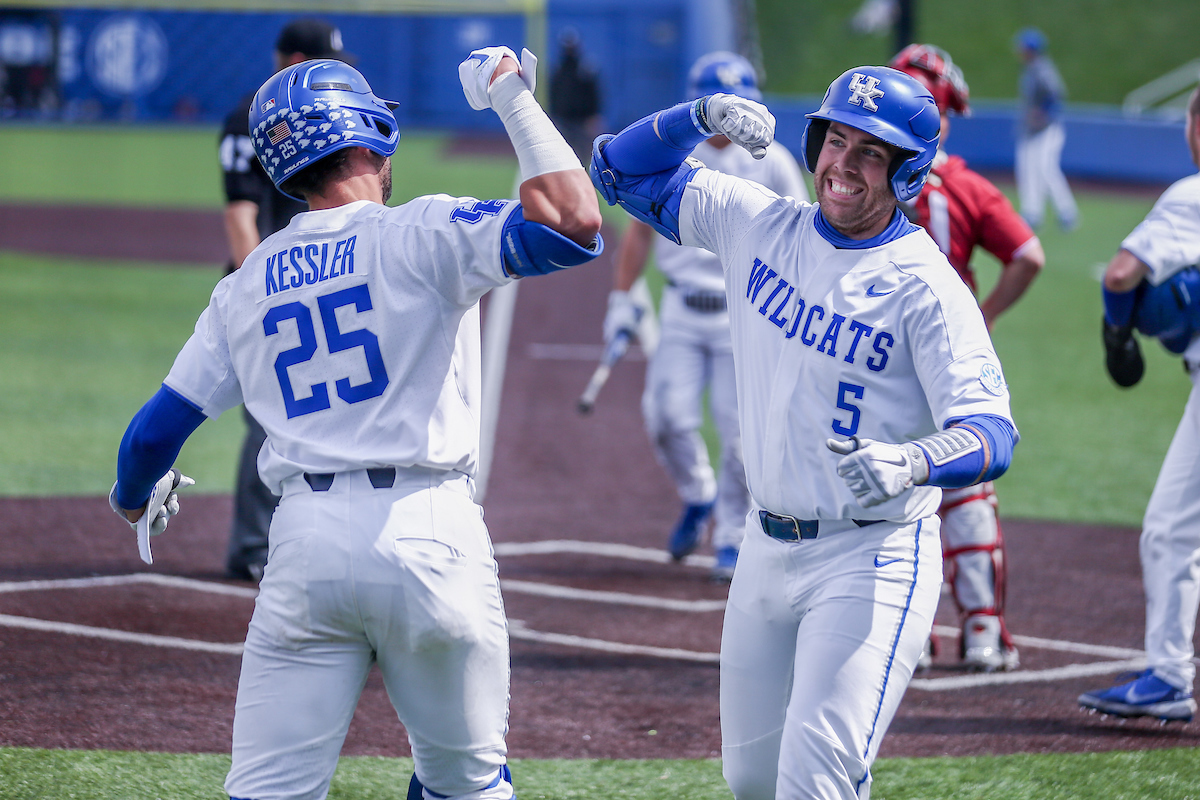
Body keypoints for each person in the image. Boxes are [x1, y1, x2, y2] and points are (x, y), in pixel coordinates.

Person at [109, 48, 602, 800]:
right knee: (464, 784)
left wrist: (132, 495)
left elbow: (150, 437)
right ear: (370, 133)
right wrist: (509, 94)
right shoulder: (422, 230)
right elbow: (574, 221)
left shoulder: (244, 287)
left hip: (304, 545)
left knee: (268, 790)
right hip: (430, 530)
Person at [590, 66, 1017, 797]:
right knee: (752, 780)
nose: (843, 167)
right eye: (835, 141)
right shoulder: (758, 221)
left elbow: (992, 432)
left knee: (814, 780)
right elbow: (615, 170)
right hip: (765, 547)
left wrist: (915, 462)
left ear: (908, 173)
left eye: (870, 153)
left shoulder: (928, 287)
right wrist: (698, 115)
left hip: (871, 557)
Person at [603, 51, 808, 581]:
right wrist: (622, 298)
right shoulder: (672, 152)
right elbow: (638, 230)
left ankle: (732, 537)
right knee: (664, 418)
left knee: (741, 435)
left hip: (745, 311)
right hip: (679, 307)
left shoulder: (775, 161)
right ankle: (698, 494)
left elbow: (804, 242)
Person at [891, 43, 1045, 672]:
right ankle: (982, 629)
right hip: (953, 358)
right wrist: (989, 316)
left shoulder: (862, 173)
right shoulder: (964, 185)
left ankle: (911, 632)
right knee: (968, 492)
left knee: (892, 490)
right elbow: (1029, 255)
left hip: (876, 357)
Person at [1078, 87, 1200, 724]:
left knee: (1170, 527)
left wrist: (1118, 332)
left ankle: (1169, 675)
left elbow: (1122, 273)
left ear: (1194, 126)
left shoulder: (1192, 194)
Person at [217, 17, 350, 582]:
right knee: (269, 419)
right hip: (271, 286)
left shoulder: (329, 112)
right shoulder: (251, 119)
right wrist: (261, 290)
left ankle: (311, 538)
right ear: (297, 62)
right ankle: (251, 546)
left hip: (322, 281)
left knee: (326, 414)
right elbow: (240, 215)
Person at [1013, 27, 1077, 231]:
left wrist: (1043, 113)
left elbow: (1056, 94)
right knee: (1027, 169)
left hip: (1047, 130)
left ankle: (1067, 212)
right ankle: (1032, 213)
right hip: (1031, 130)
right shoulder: (1031, 68)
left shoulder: (1042, 68)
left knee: (1046, 170)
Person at [547, 28, 601, 160]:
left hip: (582, 120)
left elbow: (593, 93)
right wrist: (553, 115)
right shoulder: (558, 68)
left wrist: (594, 116)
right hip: (563, 119)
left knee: (583, 156)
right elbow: (554, 94)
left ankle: (583, 180)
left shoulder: (585, 67)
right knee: (563, 157)